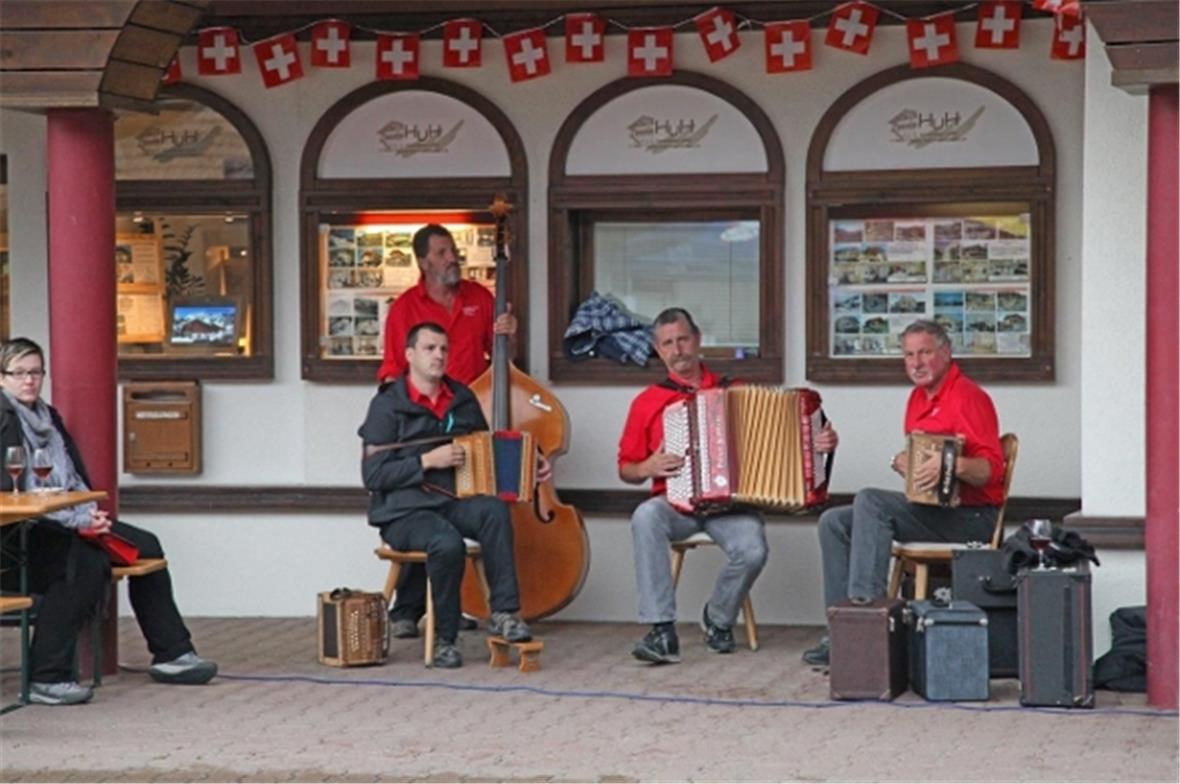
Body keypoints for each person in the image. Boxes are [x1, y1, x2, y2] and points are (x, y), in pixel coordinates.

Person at [0, 338, 217, 705]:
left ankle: (172, 654)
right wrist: (76, 522)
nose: (29, 381)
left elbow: (71, 476)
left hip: (63, 516)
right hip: (19, 532)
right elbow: (13, 492)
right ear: (2, 378)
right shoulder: (3, 419)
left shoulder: (48, 417)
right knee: (85, 563)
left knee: (146, 545)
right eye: (18, 373)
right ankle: (46, 676)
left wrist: (88, 515)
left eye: (36, 372)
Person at [618, 308, 837, 664]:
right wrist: (647, 465)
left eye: (683, 339)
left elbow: (782, 442)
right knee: (645, 517)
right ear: (659, 351)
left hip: (730, 507)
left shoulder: (733, 392)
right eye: (668, 343)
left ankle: (717, 619)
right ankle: (661, 630)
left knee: (753, 548)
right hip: (674, 506)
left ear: (698, 339)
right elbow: (626, 469)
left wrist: (820, 441)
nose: (678, 349)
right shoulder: (647, 402)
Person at [803, 319, 1005, 666]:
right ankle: (840, 631)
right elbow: (924, 464)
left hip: (972, 519)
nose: (916, 363)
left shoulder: (968, 397)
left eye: (925, 352)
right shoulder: (916, 398)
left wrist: (952, 465)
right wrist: (906, 463)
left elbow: (992, 470)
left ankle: (868, 624)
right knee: (834, 522)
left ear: (946, 353)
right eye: (909, 355)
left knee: (870, 499)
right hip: (935, 511)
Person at [360, 322, 543, 669]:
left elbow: (487, 450)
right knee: (447, 543)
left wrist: (534, 462)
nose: (439, 355)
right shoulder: (386, 406)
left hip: (450, 501)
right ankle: (446, 639)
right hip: (403, 512)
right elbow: (373, 474)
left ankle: (505, 612)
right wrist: (426, 461)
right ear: (409, 355)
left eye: (443, 349)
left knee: (493, 511)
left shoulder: (461, 398)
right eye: (430, 349)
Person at [376, 223, 516, 640]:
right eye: (440, 252)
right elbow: (390, 370)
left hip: (468, 419)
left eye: (451, 250)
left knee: (474, 506)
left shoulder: (480, 298)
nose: (450, 257)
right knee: (425, 509)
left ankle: (497, 610)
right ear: (422, 261)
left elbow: (503, 361)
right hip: (422, 423)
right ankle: (410, 608)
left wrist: (510, 337)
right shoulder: (405, 308)